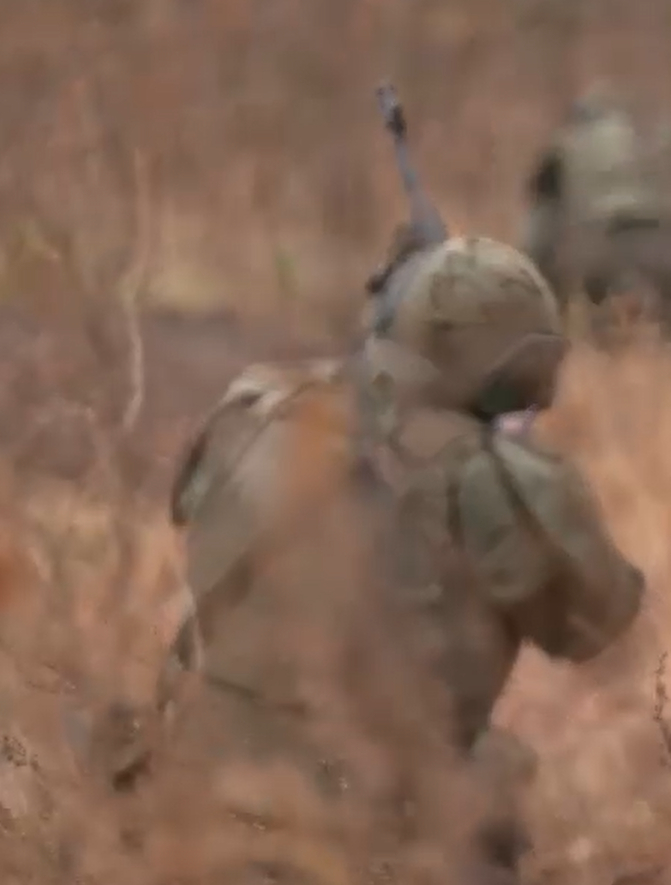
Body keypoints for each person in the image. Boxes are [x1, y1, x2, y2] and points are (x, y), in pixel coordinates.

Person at [145, 234, 645, 882]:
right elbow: (598, 622)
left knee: (487, 756)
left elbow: (188, 511)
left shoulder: (259, 406)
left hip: (190, 802)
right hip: (350, 830)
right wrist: (524, 463)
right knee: (486, 778)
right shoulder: (494, 477)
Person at [519, 86, 671, 339]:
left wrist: (543, 293)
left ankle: (605, 364)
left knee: (597, 331)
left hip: (596, 251)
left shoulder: (565, 145)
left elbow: (540, 231)